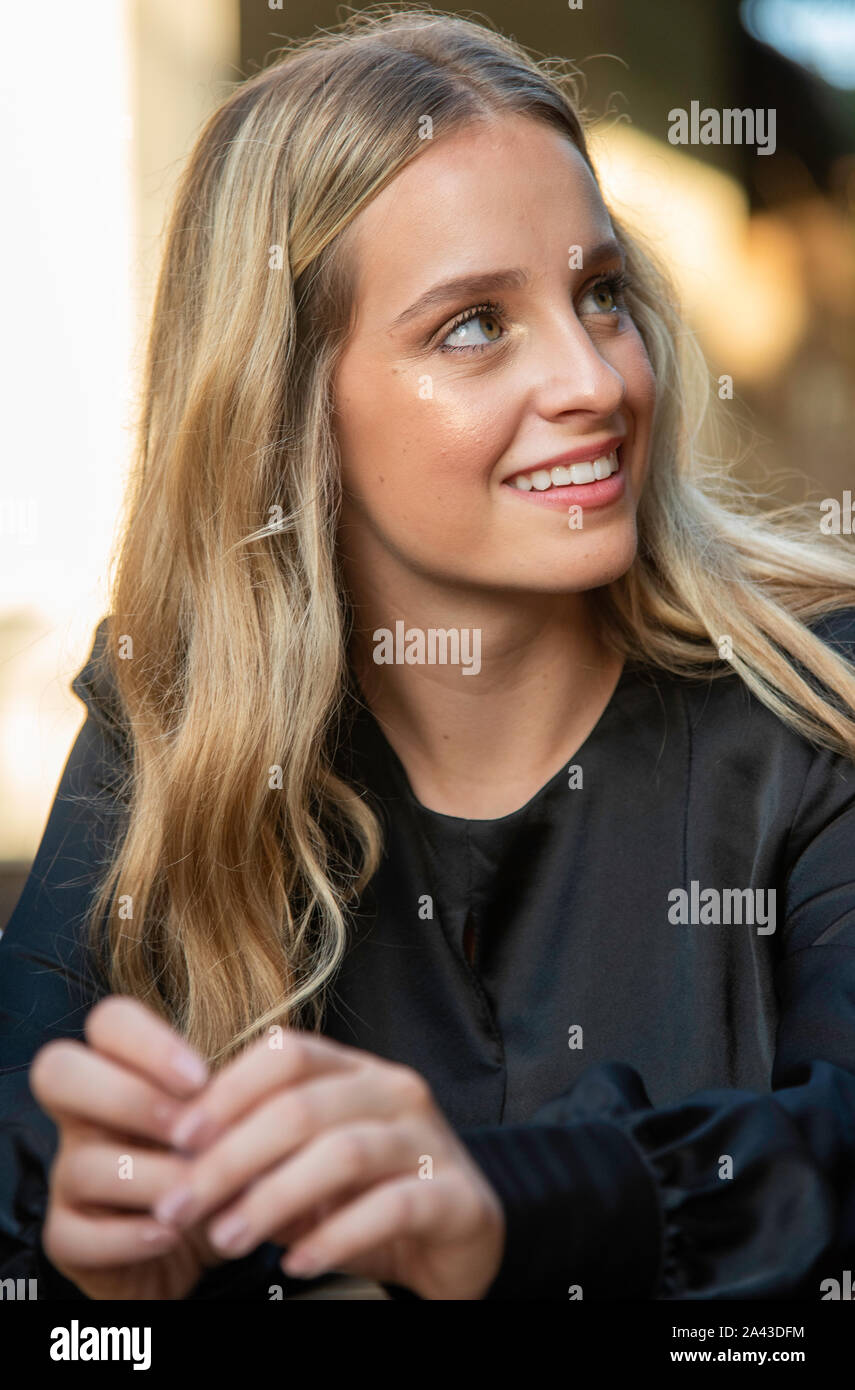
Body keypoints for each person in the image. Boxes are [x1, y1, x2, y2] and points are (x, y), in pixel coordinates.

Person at [2, 5, 855, 1302]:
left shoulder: (818, 699)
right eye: (473, 325)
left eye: (602, 295)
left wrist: (502, 1210)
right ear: (287, 409)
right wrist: (94, 1265)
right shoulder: (166, 724)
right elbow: (28, 1195)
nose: (598, 377)